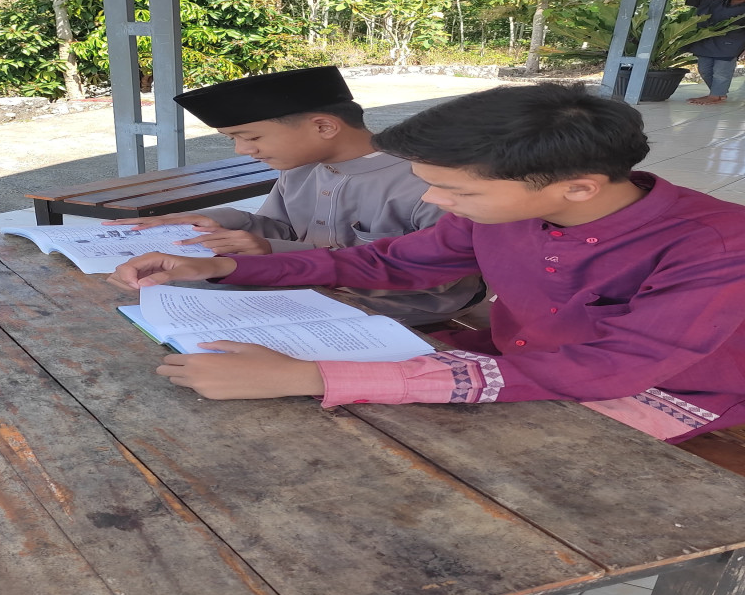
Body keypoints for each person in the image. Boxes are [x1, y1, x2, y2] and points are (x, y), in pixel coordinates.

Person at [108, 82, 745, 445]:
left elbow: (615, 368)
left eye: (458, 191)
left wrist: (315, 376)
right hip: (520, 362)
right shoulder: (502, 209)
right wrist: (225, 271)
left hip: (664, 393)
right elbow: (392, 263)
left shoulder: (716, 247)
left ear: (576, 186)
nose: (437, 203)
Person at [107, 66, 483, 325]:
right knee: (152, 296)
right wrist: (219, 221)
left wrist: (272, 253)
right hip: (301, 287)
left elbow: (440, 277)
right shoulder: (302, 166)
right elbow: (283, 228)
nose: (242, 150)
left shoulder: (428, 183)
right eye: (233, 139)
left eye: (250, 137)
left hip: (405, 307)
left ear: (323, 126)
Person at [648, 0, 745, 104]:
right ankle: (718, 94)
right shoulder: (715, 1)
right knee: (704, 69)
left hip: (730, 45)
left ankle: (715, 96)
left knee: (721, 72)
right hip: (706, 42)